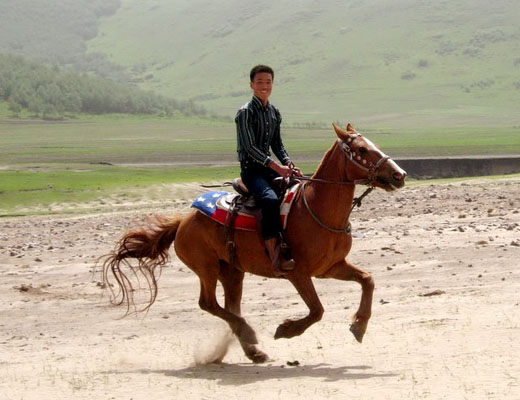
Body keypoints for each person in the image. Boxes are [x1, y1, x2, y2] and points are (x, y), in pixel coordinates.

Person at [235, 64, 302, 274]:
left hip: (271, 168)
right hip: (252, 171)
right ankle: (274, 253)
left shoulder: (274, 112)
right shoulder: (245, 113)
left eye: (268, 82)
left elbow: (277, 144)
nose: (264, 86)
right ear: (251, 85)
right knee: (270, 200)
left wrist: (288, 163)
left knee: (300, 189)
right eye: (260, 82)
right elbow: (250, 147)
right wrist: (276, 166)